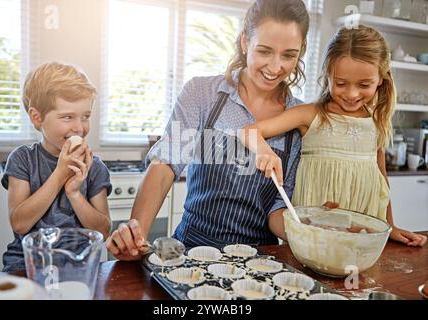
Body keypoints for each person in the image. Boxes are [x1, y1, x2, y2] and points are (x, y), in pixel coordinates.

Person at [106, 0, 312, 260]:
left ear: (301, 51)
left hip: (259, 262)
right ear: (245, 42)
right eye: (264, 51)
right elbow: (165, 165)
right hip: (191, 252)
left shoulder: (299, 119)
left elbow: (279, 208)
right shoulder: (202, 94)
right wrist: (136, 235)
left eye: (289, 55)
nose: (274, 67)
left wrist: (312, 230)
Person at [241, 25, 426, 247]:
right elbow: (249, 131)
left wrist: (390, 226)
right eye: (340, 83)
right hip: (314, 235)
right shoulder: (311, 115)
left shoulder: (377, 121)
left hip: (362, 234)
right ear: (327, 76)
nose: (351, 94)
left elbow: (381, 183)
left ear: (381, 79)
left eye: (364, 84)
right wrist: (264, 152)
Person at [1, 62, 113, 271]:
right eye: (67, 117)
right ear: (37, 118)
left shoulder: (94, 167)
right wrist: (60, 175)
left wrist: (74, 194)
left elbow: (103, 231)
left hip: (80, 265)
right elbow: (20, 223)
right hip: (27, 264)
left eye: (85, 116)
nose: (80, 128)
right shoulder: (23, 159)